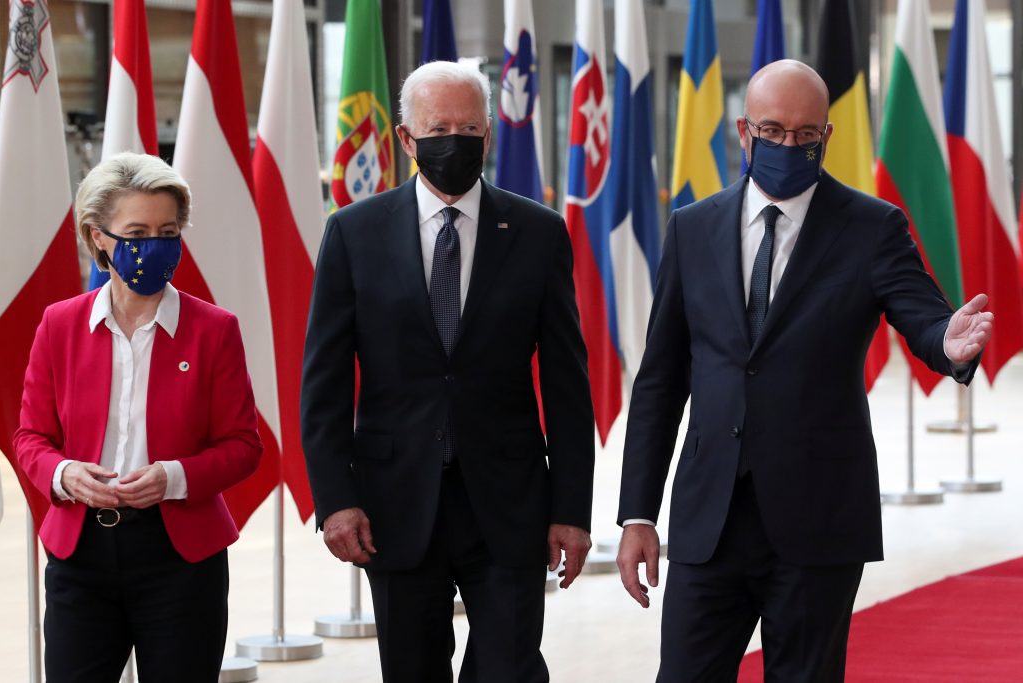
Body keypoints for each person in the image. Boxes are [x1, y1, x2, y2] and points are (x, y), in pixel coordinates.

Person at [615, 60, 993, 682]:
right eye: (772, 130)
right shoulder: (692, 228)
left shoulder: (873, 227)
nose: (788, 145)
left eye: (804, 134)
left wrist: (948, 345)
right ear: (744, 131)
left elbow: (925, 317)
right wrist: (638, 513)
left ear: (827, 136)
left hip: (818, 520)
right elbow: (660, 380)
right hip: (710, 519)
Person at [301, 60, 595, 683]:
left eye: (468, 128)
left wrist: (572, 508)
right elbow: (323, 383)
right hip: (394, 504)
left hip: (509, 501)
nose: (453, 141)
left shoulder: (539, 233)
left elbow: (568, 384)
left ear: (488, 137)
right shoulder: (353, 233)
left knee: (509, 670)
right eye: (438, 128)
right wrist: (335, 501)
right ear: (406, 139)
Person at [15, 152, 263, 683]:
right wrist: (64, 474)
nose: (155, 245)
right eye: (137, 232)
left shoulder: (213, 329)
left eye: (168, 231)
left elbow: (244, 444)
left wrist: (172, 478)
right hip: (80, 553)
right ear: (98, 236)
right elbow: (31, 436)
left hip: (180, 557)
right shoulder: (59, 325)